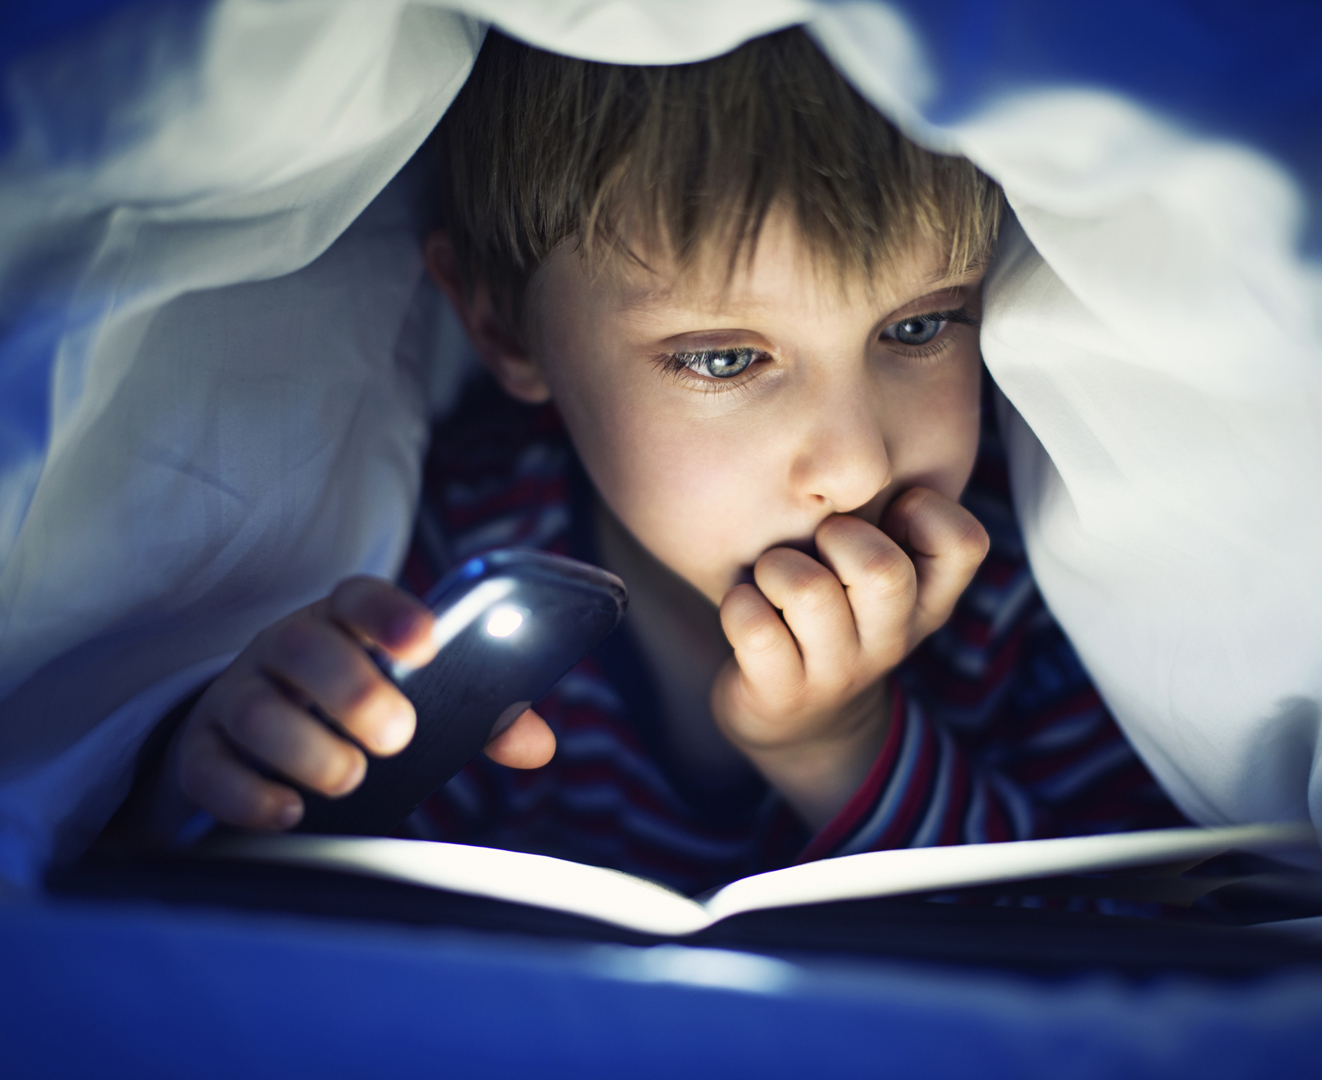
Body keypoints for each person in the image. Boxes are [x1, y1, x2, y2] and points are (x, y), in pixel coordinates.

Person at [122, 28, 1180, 894]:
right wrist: (240, 776)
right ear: (505, 328)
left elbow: (1126, 955)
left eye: (918, 330)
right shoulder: (450, 548)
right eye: (724, 357)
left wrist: (839, 747)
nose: (856, 467)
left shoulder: (1023, 575)